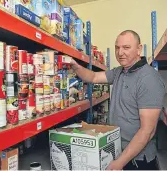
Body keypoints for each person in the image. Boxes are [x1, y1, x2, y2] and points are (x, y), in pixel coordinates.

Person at [70, 30, 166, 170]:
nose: (120, 53)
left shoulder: (149, 79)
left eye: (126, 47)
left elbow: (147, 131)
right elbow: (93, 77)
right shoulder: (120, 71)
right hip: (118, 151)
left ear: (139, 49)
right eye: (117, 47)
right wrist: (75, 66)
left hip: (138, 160)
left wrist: (120, 162)